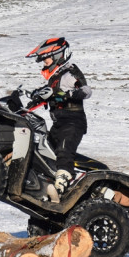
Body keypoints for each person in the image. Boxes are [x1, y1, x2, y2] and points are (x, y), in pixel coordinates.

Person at [25, 37, 92, 197]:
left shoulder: (70, 73)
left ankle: (62, 187)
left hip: (73, 122)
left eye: (46, 58)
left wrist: (62, 94)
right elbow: (46, 96)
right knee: (45, 152)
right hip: (59, 124)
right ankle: (48, 186)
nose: (44, 62)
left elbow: (86, 91)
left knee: (63, 152)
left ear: (57, 56)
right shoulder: (54, 79)